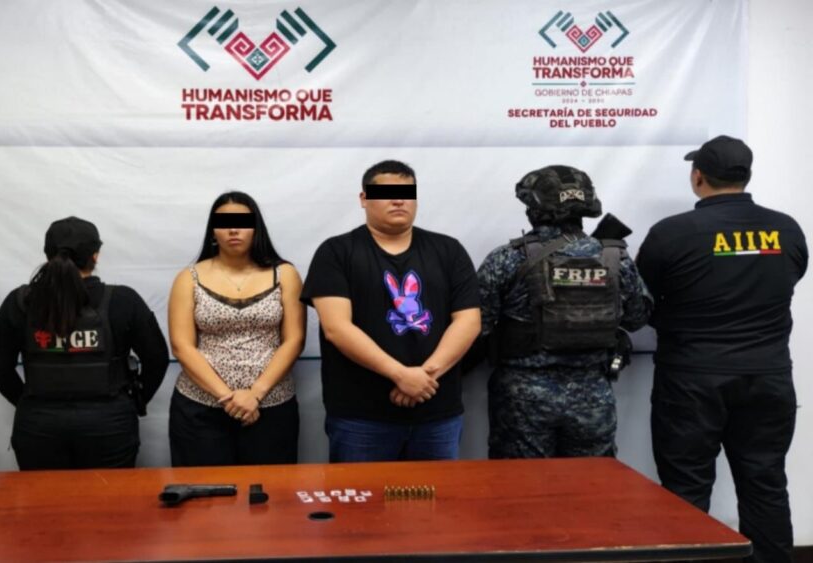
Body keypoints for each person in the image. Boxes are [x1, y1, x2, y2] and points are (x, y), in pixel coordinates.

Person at [636, 136, 807, 563]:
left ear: (698, 177)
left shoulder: (671, 233)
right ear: (746, 175)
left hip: (691, 380)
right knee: (765, 483)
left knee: (686, 488)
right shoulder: (786, 229)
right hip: (767, 377)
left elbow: (640, 299)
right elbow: (790, 277)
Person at [301, 160, 481, 463]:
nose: (399, 200)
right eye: (386, 193)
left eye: (407, 193)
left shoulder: (448, 250)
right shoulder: (336, 252)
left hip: (437, 414)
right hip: (361, 417)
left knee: (436, 495)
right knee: (362, 495)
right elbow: (336, 328)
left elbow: (469, 321)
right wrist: (400, 375)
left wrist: (423, 378)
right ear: (364, 199)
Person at [476, 165, 652, 459]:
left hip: (524, 397)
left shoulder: (507, 258)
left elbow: (477, 323)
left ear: (533, 208)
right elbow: (636, 319)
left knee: (520, 482)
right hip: (592, 394)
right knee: (590, 482)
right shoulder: (615, 257)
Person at [0, 217, 169, 469]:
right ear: (95, 255)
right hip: (109, 425)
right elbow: (157, 358)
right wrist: (133, 403)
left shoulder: (20, 301)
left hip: (40, 425)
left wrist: (28, 402)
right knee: (109, 495)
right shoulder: (124, 300)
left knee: (44, 496)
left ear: (47, 254)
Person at [168, 191, 304, 466]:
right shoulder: (188, 278)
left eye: (242, 222)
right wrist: (227, 397)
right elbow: (182, 346)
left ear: (256, 228)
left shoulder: (285, 274)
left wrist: (255, 394)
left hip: (270, 406)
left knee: (270, 490)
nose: (233, 229)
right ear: (213, 230)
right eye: (224, 222)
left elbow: (295, 340)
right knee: (205, 492)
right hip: (201, 409)